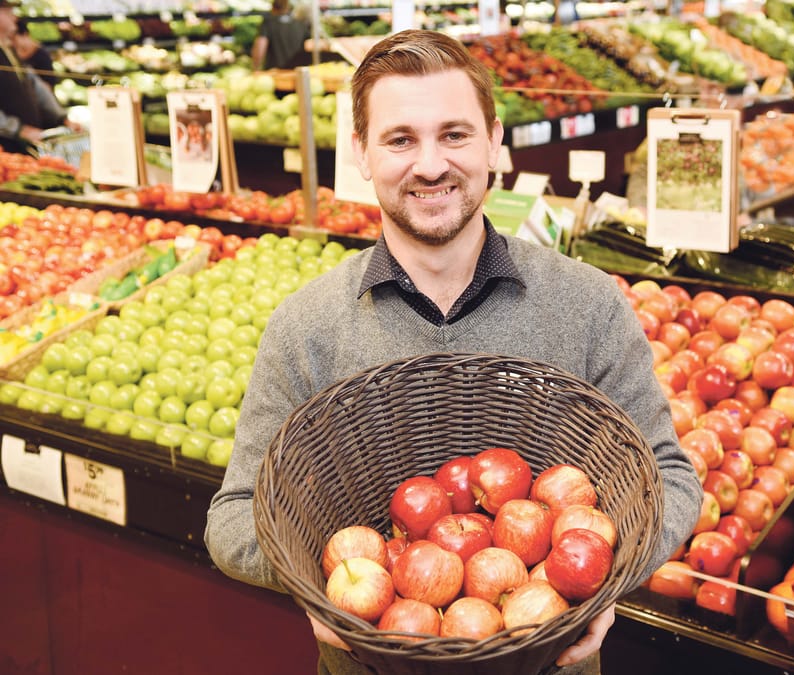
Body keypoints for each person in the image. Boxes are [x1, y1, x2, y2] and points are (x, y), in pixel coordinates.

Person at [205, 29, 702, 675]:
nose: (431, 164)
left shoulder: (586, 304)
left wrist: (604, 580)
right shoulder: (307, 327)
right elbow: (233, 518)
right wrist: (321, 581)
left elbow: (672, 478)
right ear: (359, 152)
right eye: (400, 139)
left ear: (495, 140)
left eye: (455, 134)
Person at [0, 0, 76, 151]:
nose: (14, 17)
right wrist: (18, 129)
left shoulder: (8, 49)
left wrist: (62, 118)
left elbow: (34, 84)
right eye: (8, 12)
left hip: (26, 145)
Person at [251, 0, 310, 71]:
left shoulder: (268, 23)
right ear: (288, 7)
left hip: (275, 72)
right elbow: (309, 46)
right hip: (297, 72)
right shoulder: (300, 24)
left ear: (273, 8)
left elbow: (261, 46)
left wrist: (255, 68)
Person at [13, 18, 56, 89]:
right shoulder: (13, 52)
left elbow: (49, 86)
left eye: (13, 38)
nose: (11, 41)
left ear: (24, 34)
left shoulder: (42, 55)